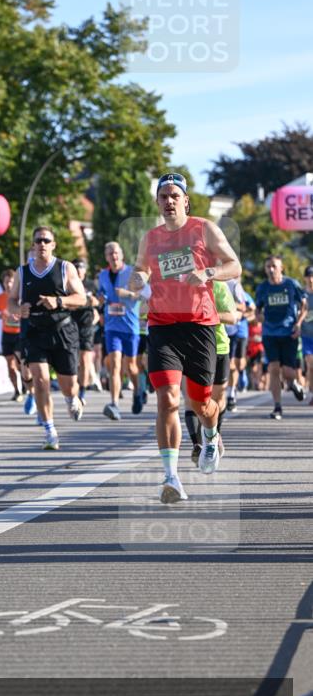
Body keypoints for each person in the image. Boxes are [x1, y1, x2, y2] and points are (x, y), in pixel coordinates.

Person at [128, 173, 241, 503]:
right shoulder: (150, 238)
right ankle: (171, 477)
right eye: (163, 196)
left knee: (202, 403)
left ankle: (210, 434)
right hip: (162, 325)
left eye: (175, 195)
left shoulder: (204, 228)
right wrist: (137, 277)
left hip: (200, 326)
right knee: (167, 399)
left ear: (185, 200)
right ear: (158, 202)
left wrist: (208, 272)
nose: (169, 200)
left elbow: (234, 265)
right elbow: (140, 270)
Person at [7, 226, 86, 450]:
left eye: (46, 240)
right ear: (32, 245)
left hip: (62, 330)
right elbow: (11, 300)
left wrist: (59, 302)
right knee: (40, 381)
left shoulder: (65, 268)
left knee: (68, 385)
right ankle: (50, 430)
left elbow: (81, 299)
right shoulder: (22, 272)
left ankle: (72, 399)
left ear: (53, 245)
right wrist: (18, 308)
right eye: (38, 240)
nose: (42, 244)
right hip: (34, 331)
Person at [184, 280, 240, 465]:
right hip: (192, 347)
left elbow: (232, 317)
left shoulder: (218, 286)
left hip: (219, 347)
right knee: (192, 399)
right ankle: (197, 445)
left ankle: (214, 434)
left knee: (217, 398)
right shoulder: (181, 285)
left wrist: (206, 314)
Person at [97, 241, 149, 420]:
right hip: (112, 327)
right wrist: (100, 299)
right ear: (106, 257)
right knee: (115, 364)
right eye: (110, 253)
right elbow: (101, 293)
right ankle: (114, 404)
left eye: (116, 253)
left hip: (130, 326)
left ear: (122, 255)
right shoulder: (102, 275)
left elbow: (144, 295)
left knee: (132, 366)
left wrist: (127, 295)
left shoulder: (131, 273)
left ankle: (137, 393)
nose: (114, 256)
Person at [254, 255, 306, 420]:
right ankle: (277, 407)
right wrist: (259, 317)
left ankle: (293, 384)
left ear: (281, 268)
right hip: (270, 333)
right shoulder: (262, 288)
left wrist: (298, 324)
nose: (271, 269)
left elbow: (304, 305)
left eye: (274, 266)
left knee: (289, 373)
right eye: (268, 266)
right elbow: (257, 310)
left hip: (288, 332)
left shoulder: (291, 284)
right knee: (274, 369)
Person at [0, 268, 24, 401]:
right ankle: (17, 390)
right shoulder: (0, 298)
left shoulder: (21, 297)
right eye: (6, 283)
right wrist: (0, 316)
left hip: (20, 334)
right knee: (10, 366)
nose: (9, 285)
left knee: (21, 363)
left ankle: (26, 382)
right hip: (7, 334)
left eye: (11, 282)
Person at [69, 258, 99, 406]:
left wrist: (94, 301)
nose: (79, 270)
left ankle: (82, 392)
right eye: (76, 267)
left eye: (81, 267)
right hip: (70, 326)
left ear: (85, 270)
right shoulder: (68, 285)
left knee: (85, 360)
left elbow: (97, 302)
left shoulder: (91, 285)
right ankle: (73, 389)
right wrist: (83, 302)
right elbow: (69, 305)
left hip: (87, 326)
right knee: (73, 361)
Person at [225, 278, 253, 411]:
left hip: (240, 330)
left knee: (238, 364)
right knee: (230, 365)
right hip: (224, 330)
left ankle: (232, 391)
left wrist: (242, 314)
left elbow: (250, 308)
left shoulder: (238, 289)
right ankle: (231, 394)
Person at [303, 265, 313, 404]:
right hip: (306, 335)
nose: (311, 279)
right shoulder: (302, 294)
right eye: (309, 276)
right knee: (311, 364)